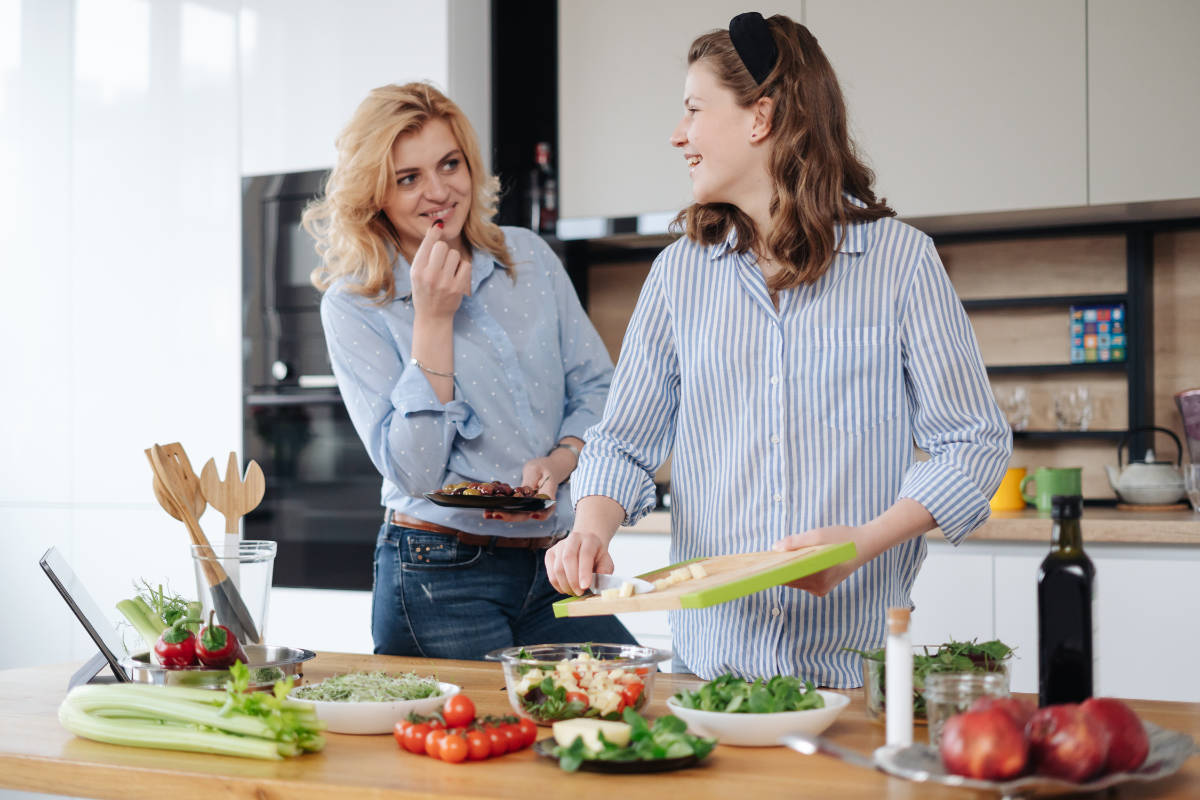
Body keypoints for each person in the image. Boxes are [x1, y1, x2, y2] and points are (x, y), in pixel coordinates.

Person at [545, 13, 1012, 685]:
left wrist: (864, 542)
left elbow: (974, 442)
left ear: (760, 117)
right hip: (712, 678)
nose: (678, 135)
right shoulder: (680, 274)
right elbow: (621, 442)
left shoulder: (901, 262)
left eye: (694, 110)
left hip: (853, 675)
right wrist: (590, 527)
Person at [303, 82, 636, 658]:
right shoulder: (355, 305)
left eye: (450, 164)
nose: (438, 191)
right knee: (477, 739)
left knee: (627, 702)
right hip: (439, 572)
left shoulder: (528, 257)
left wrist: (562, 459)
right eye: (408, 178)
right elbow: (415, 471)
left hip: (553, 561)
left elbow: (599, 388)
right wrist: (432, 318)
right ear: (376, 193)